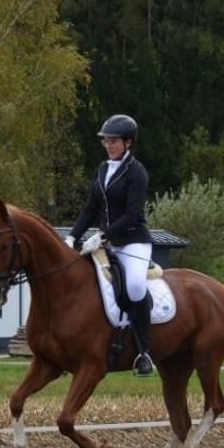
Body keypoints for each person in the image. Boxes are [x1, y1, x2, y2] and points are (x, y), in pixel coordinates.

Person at [66, 113, 155, 376]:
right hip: (105, 243)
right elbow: (90, 208)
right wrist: (72, 236)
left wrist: (103, 236)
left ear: (128, 143)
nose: (108, 145)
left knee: (136, 287)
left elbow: (133, 215)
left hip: (133, 243)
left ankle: (144, 352)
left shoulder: (137, 173)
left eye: (113, 141)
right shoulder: (103, 169)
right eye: (106, 141)